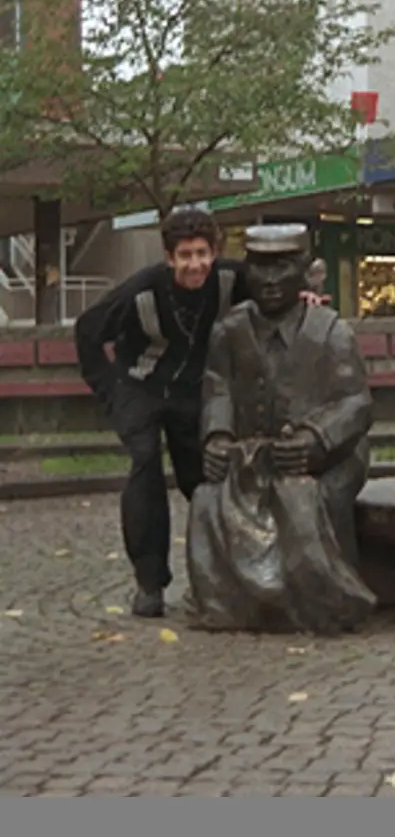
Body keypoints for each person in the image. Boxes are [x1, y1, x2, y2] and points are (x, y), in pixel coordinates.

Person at [188, 224, 375, 634]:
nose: (270, 280)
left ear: (305, 271)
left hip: (332, 456)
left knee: (308, 495)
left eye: (282, 267)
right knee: (207, 499)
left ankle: (323, 600)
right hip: (254, 454)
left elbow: (355, 402)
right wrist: (218, 436)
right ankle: (233, 603)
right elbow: (218, 390)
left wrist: (315, 438)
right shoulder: (229, 330)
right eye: (260, 267)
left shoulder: (331, 332)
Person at [74, 208, 249, 618]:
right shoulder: (140, 292)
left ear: (214, 252)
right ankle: (150, 582)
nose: (195, 265)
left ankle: (221, 571)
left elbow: (275, 288)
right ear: (169, 257)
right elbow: (87, 330)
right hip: (140, 387)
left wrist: (306, 296)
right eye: (185, 255)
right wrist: (111, 392)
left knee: (202, 476)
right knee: (145, 462)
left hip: (192, 392)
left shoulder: (230, 278)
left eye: (202, 254)